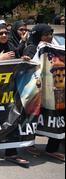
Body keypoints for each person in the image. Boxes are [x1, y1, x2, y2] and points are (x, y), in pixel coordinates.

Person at [0, 23, 31, 167]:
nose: (4, 36)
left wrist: (23, 60)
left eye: (5, 33)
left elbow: (17, 60)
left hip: (9, 92)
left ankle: (11, 153)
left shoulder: (10, 47)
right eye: (0, 33)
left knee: (12, 119)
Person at [23, 24, 65, 162]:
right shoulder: (31, 48)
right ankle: (28, 144)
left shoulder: (55, 50)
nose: (49, 37)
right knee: (34, 116)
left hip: (54, 91)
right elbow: (29, 68)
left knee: (58, 118)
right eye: (46, 34)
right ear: (37, 35)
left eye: (51, 34)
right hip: (37, 90)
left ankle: (52, 148)